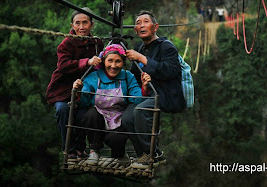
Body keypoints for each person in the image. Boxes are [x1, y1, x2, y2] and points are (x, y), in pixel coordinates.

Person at [124, 10, 185, 169]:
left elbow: (170, 71)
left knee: (141, 110)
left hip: (165, 95)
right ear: (135, 30)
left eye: (145, 22)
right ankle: (145, 154)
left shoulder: (166, 47)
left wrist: (141, 59)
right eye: (138, 23)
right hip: (146, 93)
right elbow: (134, 75)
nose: (141, 25)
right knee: (127, 118)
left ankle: (152, 154)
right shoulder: (140, 47)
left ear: (155, 26)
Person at [72, 44, 152, 166]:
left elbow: (137, 99)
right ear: (104, 61)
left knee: (117, 138)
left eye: (118, 61)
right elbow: (83, 101)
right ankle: (94, 151)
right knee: (91, 114)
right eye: (110, 61)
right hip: (98, 118)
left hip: (118, 119)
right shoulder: (94, 77)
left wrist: (144, 87)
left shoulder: (127, 77)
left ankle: (120, 155)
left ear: (123, 63)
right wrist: (78, 91)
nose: (113, 66)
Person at [46, 7, 104, 161]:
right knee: (63, 110)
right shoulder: (66, 44)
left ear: (91, 25)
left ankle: (80, 148)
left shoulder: (96, 43)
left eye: (85, 23)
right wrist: (87, 61)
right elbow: (63, 65)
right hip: (63, 89)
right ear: (72, 26)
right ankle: (70, 150)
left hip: (85, 89)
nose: (81, 27)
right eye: (77, 23)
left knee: (83, 115)